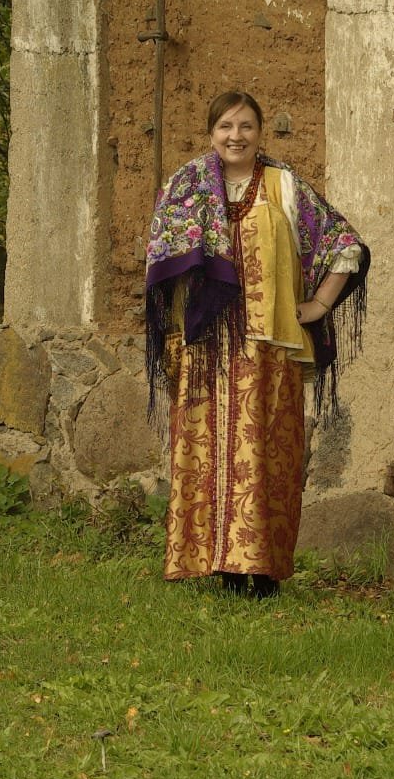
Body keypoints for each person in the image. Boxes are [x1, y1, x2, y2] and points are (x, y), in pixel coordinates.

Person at [145, 92, 369, 597]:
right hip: (206, 347)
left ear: (260, 132)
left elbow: (343, 243)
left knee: (265, 451)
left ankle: (262, 573)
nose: (236, 136)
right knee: (205, 450)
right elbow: (160, 261)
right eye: (226, 126)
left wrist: (318, 305)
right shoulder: (185, 188)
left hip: (268, 347)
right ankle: (219, 567)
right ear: (211, 133)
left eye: (246, 126)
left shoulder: (283, 185)